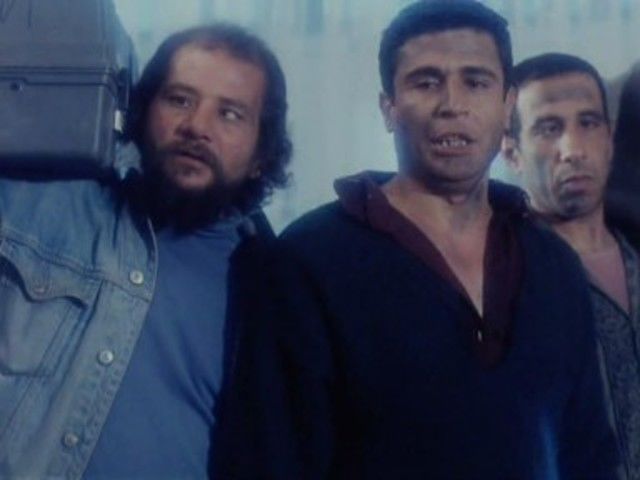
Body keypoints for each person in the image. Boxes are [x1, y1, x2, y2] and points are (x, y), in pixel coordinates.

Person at [218, 1, 619, 479]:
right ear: (388, 107)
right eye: (426, 82)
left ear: (507, 105)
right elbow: (271, 460)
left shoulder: (552, 262)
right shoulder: (309, 260)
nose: (452, 104)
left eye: (476, 82)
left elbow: (589, 455)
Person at [0, 23, 291, 479]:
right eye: (179, 99)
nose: (197, 126)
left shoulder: (273, 287)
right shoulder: (38, 208)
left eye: (230, 114)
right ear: (140, 112)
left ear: (262, 156)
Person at [502, 52, 640, 480]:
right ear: (512, 152)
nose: (573, 150)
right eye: (549, 128)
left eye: (588, 123)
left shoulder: (635, 255)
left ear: (610, 138)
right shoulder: (505, 279)